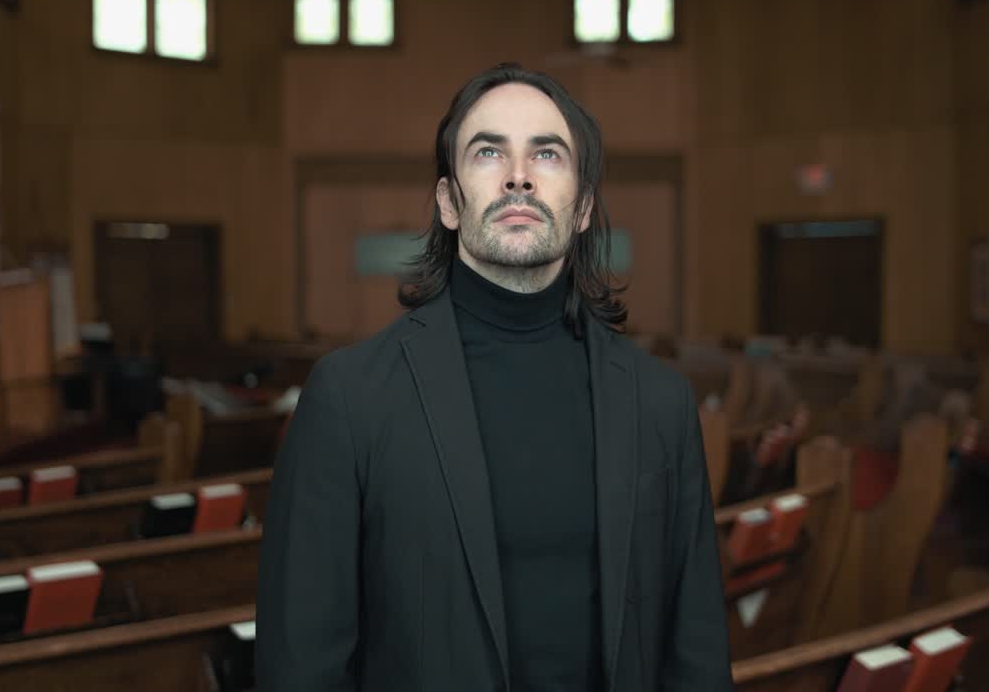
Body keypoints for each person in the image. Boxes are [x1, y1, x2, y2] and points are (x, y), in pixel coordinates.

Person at [257, 63, 733, 692]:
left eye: (547, 153)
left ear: (584, 206)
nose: (518, 174)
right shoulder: (348, 396)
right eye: (488, 152)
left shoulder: (662, 402)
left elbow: (694, 653)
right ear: (450, 203)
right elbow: (302, 665)